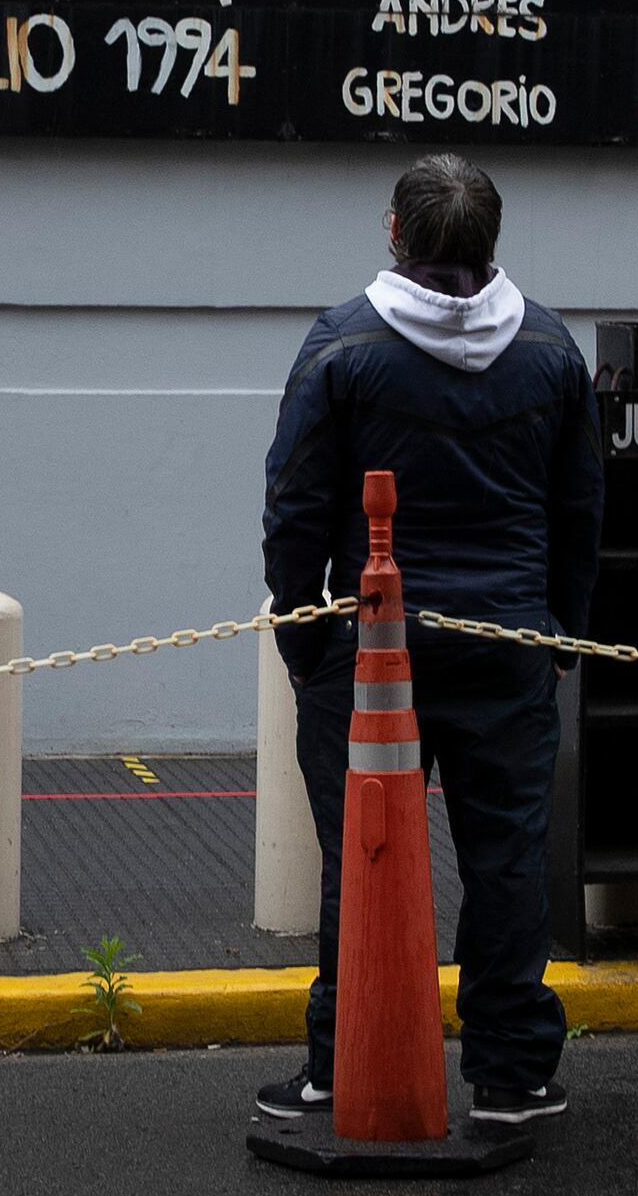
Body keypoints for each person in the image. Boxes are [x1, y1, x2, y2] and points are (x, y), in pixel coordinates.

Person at [255, 153, 603, 1125]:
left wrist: (302, 637)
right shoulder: (547, 350)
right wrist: (560, 637)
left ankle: (339, 1062)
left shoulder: (340, 345)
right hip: (506, 641)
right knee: (505, 861)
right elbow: (580, 509)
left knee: (361, 861)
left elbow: (293, 503)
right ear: (489, 243)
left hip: (369, 647)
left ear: (395, 233)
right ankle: (509, 1072)